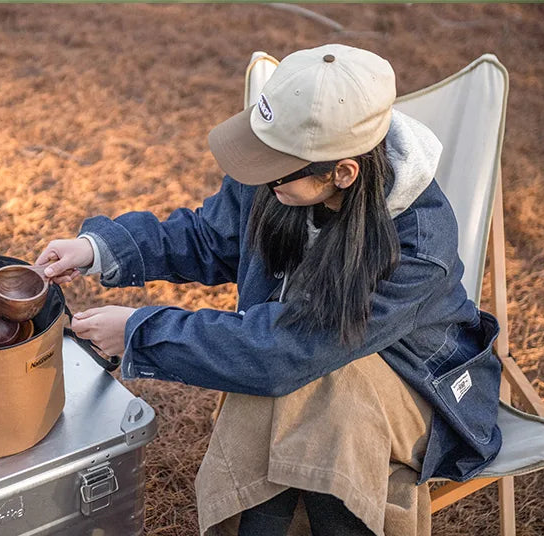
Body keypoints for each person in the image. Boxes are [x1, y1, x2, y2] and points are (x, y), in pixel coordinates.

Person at [35, 44, 501, 536]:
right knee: (288, 389)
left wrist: (139, 332)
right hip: (301, 361)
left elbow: (287, 351)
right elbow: (208, 236)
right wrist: (98, 248)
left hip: (415, 384)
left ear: (343, 173)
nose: (257, 175)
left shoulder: (417, 242)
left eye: (273, 168)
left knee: (316, 395)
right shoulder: (287, 171)